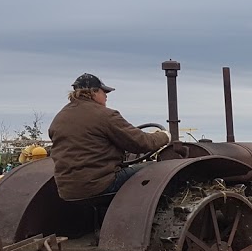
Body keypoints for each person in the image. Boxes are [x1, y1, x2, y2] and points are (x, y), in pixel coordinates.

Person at [48, 72, 171, 201]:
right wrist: (164, 136)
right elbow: (141, 143)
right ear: (94, 92)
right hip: (100, 185)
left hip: (67, 191)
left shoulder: (59, 118)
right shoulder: (104, 115)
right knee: (155, 168)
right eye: (104, 92)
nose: (106, 96)